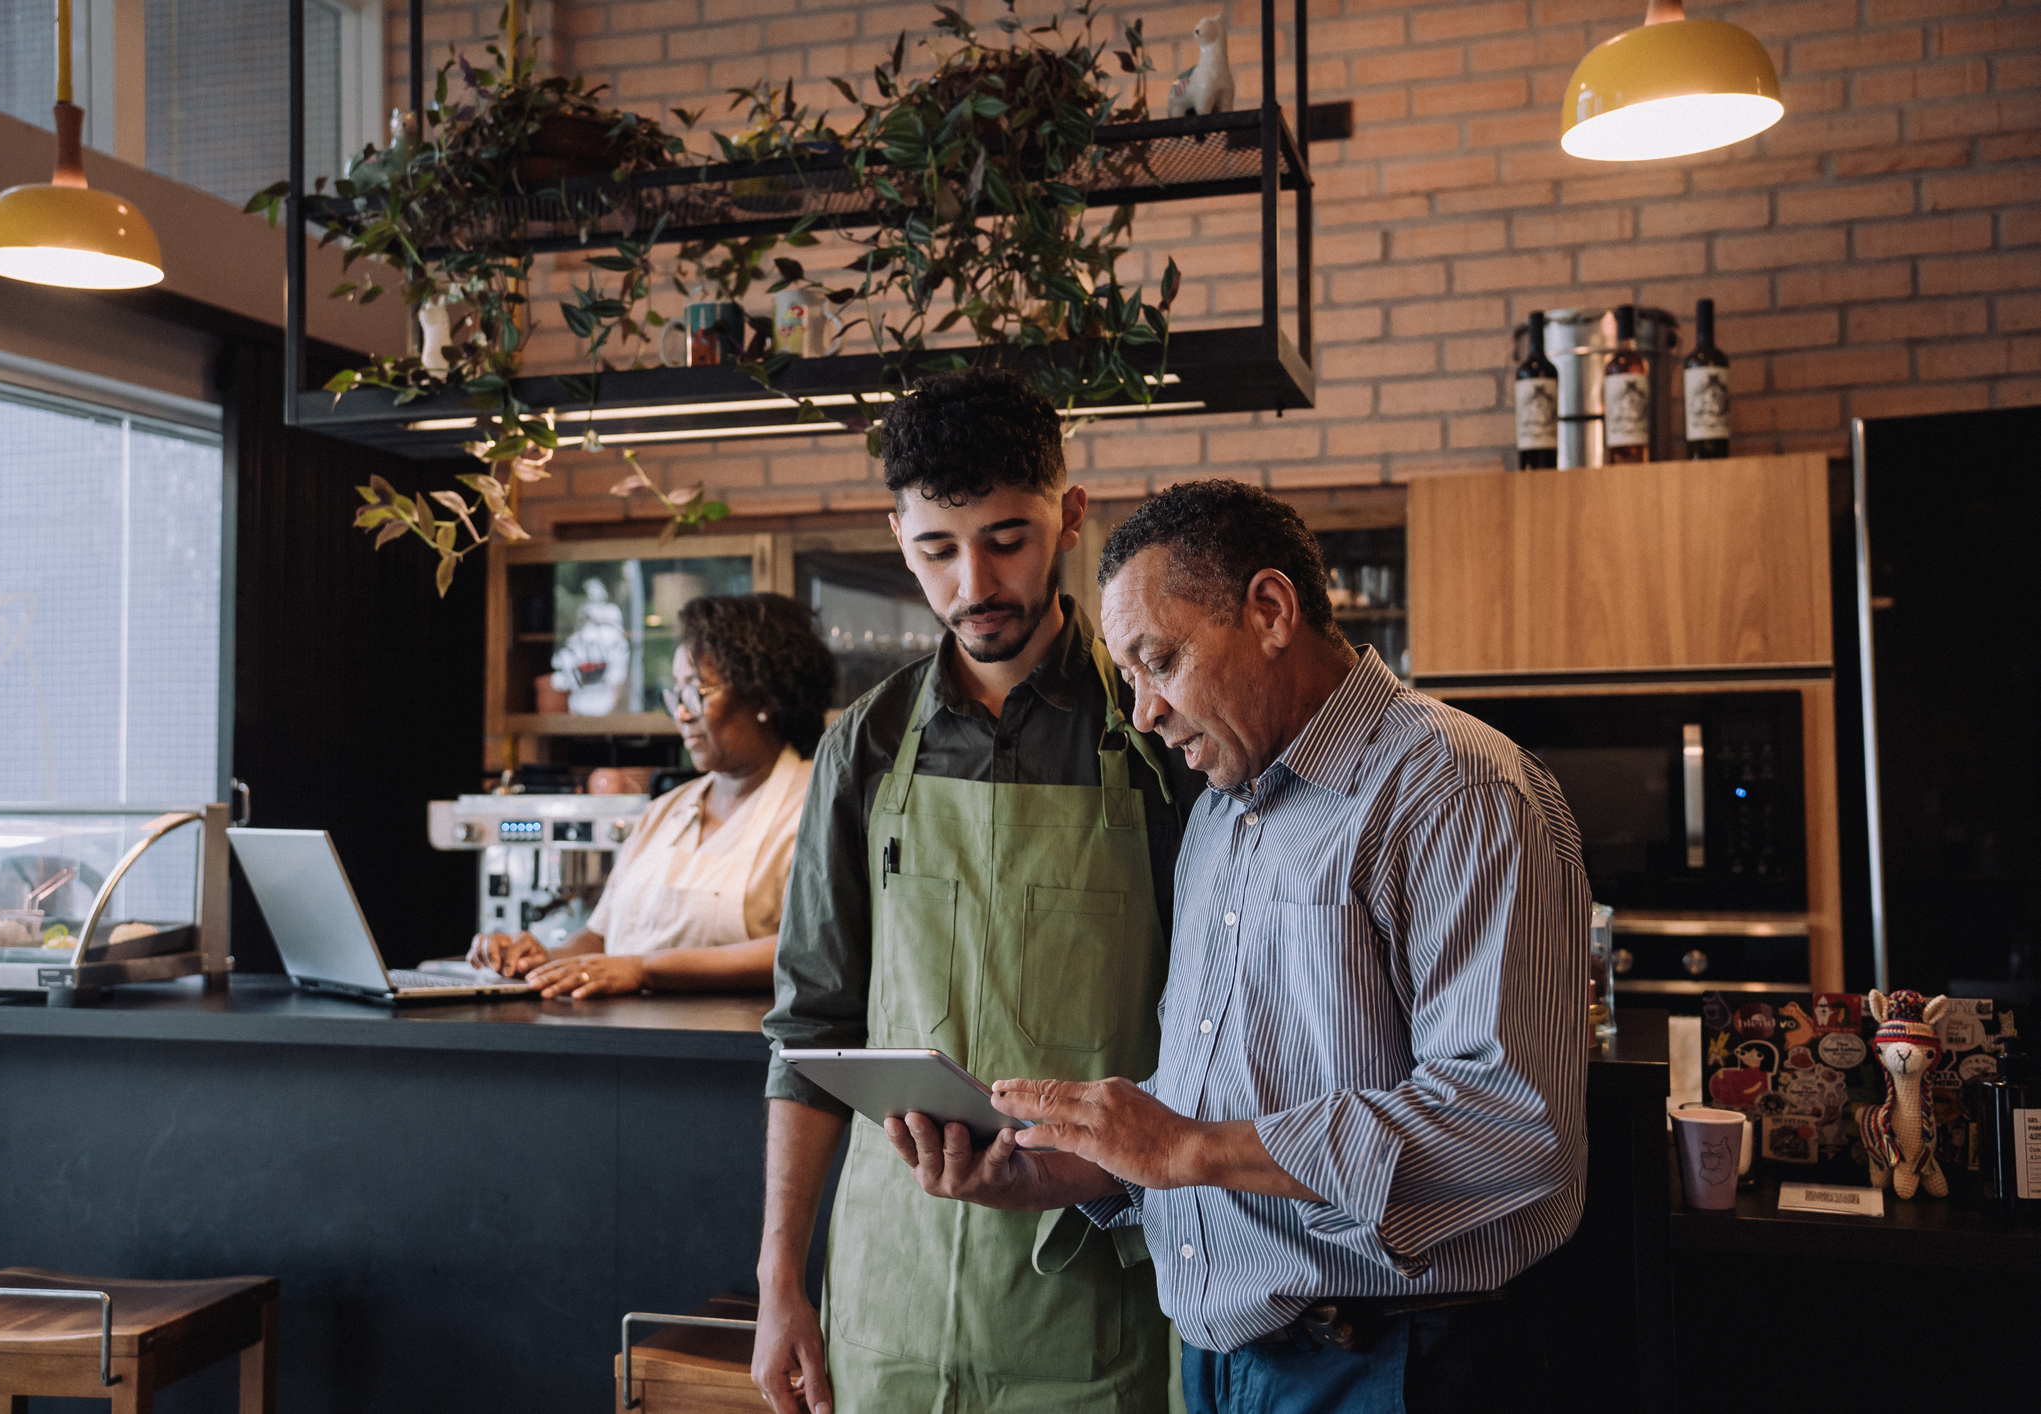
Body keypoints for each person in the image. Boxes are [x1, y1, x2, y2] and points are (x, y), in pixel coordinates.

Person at [884, 480, 1590, 1413]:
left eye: (1159, 661)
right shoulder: (1223, 809)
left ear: (1269, 611)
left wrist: (1187, 1148)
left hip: (1389, 1362)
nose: (1143, 712)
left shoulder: (1454, 789)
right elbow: (1225, 1105)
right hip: (1223, 1359)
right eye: (1127, 677)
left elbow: (1511, 1129)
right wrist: (1063, 1169)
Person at [754, 369, 1200, 1414]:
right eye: (936, 550)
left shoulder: (1157, 732)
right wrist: (780, 1278)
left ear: (1069, 517)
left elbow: (1218, 1024)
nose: (973, 583)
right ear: (897, 536)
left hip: (1095, 1272)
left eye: (1006, 540)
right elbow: (812, 1026)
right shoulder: (864, 745)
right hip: (894, 1272)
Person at [469, 593, 836, 998]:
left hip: (737, 1035)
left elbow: (810, 950)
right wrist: (542, 959)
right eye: (676, 694)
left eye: (697, 692)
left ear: (765, 695)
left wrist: (645, 970)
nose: (681, 713)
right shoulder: (665, 811)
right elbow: (600, 938)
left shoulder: (818, 805)